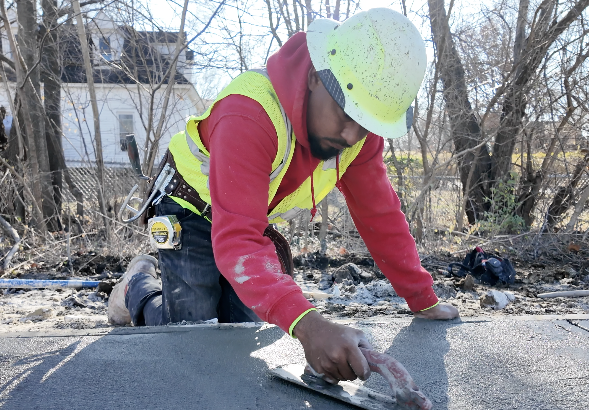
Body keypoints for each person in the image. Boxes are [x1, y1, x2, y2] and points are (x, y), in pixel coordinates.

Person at [107, 8, 459, 384]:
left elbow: (381, 216)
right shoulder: (250, 112)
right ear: (313, 79)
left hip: (243, 219)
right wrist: (310, 327)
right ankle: (137, 288)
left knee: (239, 338)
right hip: (189, 206)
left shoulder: (358, 138)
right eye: (345, 111)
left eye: (367, 122)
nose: (352, 134)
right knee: (196, 339)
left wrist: (423, 299)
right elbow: (238, 242)